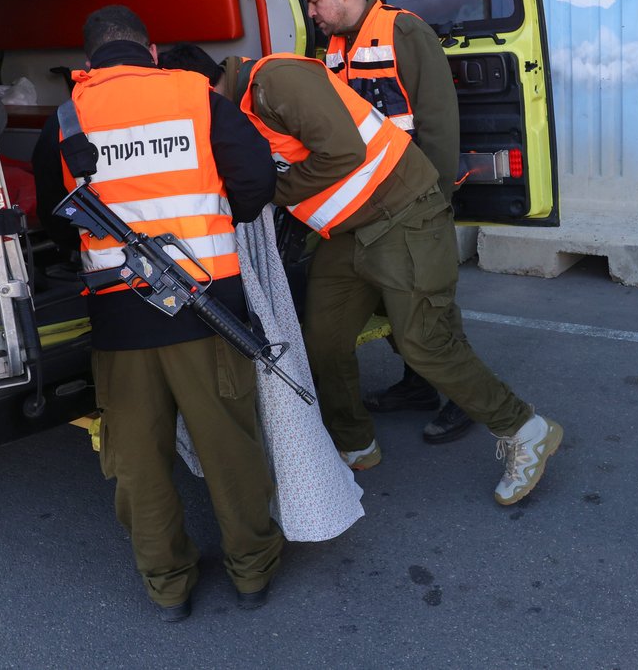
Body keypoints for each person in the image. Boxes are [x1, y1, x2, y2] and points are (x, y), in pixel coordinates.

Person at [33, 6, 283, 622]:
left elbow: (53, 218)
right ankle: (252, 572)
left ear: (89, 63)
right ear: (150, 49)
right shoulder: (197, 96)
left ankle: (168, 586)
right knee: (230, 448)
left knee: (138, 463)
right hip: (209, 311)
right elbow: (255, 182)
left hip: (121, 323)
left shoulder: (66, 120)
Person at [229, 50, 562, 505]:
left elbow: (343, 151)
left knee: (423, 340)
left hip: (402, 213)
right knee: (323, 339)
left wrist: (266, 191)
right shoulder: (242, 105)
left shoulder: (273, 81)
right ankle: (355, 444)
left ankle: (524, 428)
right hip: (346, 232)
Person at [297, 0, 473, 444]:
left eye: (314, 1)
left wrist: (436, 203)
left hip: (413, 203)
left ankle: (464, 398)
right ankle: (419, 386)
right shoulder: (330, 48)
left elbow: (437, 123)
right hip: (364, 207)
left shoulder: (405, 31)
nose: (311, 13)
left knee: (429, 309)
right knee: (393, 302)